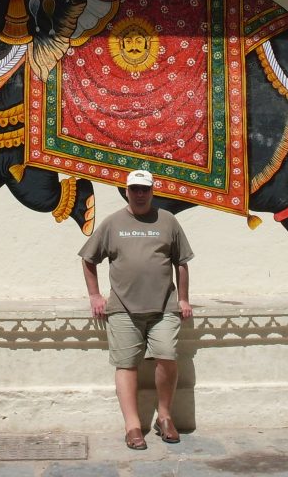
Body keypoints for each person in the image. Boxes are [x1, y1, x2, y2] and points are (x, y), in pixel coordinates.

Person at [79, 169, 194, 451]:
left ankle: (165, 416)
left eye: (145, 189)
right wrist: (94, 295)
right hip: (122, 308)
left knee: (166, 356)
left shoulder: (167, 221)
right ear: (126, 191)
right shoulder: (113, 223)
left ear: (153, 191)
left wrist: (184, 299)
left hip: (164, 306)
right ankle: (132, 426)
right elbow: (88, 258)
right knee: (126, 365)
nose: (140, 194)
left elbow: (181, 262)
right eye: (135, 189)